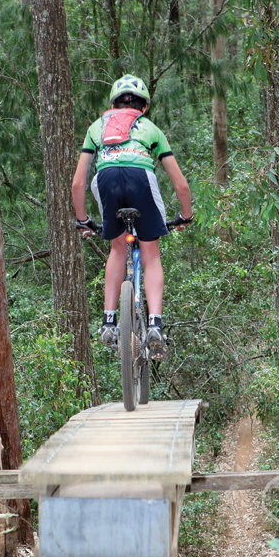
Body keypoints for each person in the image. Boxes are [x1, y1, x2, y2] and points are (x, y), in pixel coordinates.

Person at [72, 74, 193, 359]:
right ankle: (154, 325)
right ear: (144, 107)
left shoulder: (97, 127)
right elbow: (181, 185)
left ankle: (108, 321)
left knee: (117, 247)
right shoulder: (151, 129)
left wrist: (82, 219)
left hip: (106, 180)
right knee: (150, 253)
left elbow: (78, 183)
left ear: (114, 104)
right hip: (140, 178)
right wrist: (185, 216)